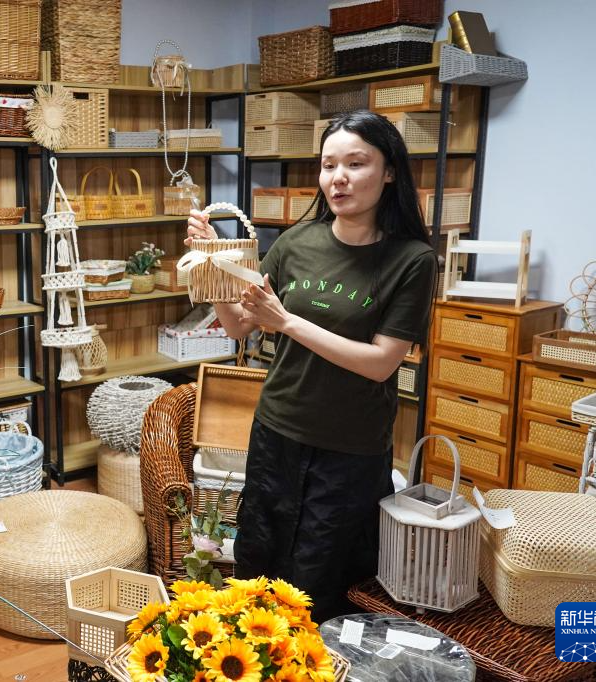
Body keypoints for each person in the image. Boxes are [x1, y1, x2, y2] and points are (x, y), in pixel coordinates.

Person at [186, 109, 438, 621]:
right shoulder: (296, 242)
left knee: (323, 578)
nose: (338, 178)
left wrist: (287, 322)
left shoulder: (412, 260)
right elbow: (239, 326)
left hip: (350, 449)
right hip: (277, 430)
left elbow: (380, 364)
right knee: (257, 560)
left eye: (355, 163)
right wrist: (211, 264)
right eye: (328, 166)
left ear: (389, 171)